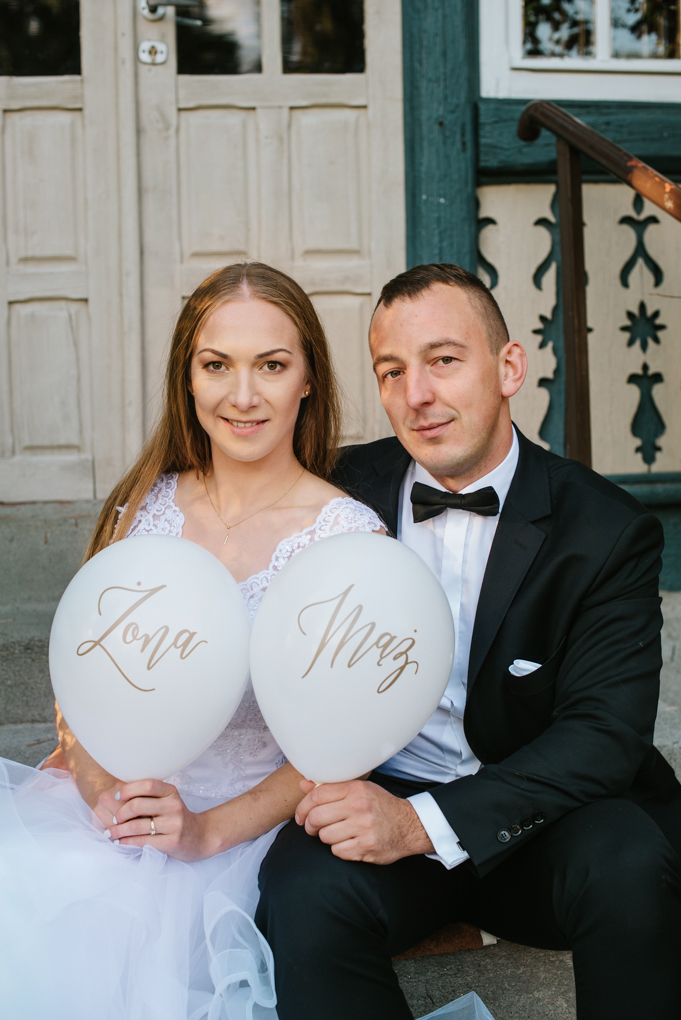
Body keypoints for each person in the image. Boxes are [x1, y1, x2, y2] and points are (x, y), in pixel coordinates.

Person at [255, 263, 681, 1020]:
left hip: (543, 817)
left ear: (509, 367)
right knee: (299, 892)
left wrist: (423, 824)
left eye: (444, 360)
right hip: (381, 791)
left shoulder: (606, 529)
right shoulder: (337, 492)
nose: (416, 394)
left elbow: (602, 738)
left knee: (631, 863)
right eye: (392, 371)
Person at [0, 262, 383, 1020]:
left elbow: (340, 748)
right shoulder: (141, 507)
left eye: (270, 365)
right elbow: (81, 675)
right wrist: (101, 792)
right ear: (188, 378)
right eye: (216, 365)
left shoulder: (346, 539)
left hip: (241, 841)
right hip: (110, 819)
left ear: (308, 378)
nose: (242, 396)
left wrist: (204, 834)